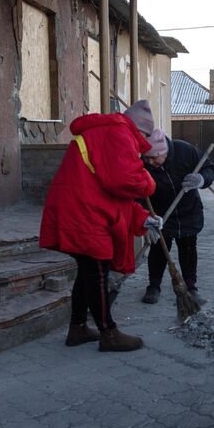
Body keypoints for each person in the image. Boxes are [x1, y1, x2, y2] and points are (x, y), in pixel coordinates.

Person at [39, 101, 163, 352]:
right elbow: (124, 181)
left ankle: (78, 328)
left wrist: (142, 218)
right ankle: (109, 333)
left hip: (81, 208)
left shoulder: (107, 132)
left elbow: (111, 191)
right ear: (140, 130)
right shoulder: (120, 134)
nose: (143, 147)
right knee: (97, 274)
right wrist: (149, 183)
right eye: (145, 137)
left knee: (87, 273)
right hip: (83, 214)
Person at [141, 128, 214, 306]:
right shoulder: (142, 164)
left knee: (188, 249)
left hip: (188, 211)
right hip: (159, 214)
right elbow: (137, 194)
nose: (150, 162)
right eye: (147, 158)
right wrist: (145, 218)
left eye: (154, 157)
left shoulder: (185, 151)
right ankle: (153, 286)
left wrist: (201, 179)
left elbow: (210, 169)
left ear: (164, 152)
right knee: (159, 248)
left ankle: (190, 287)